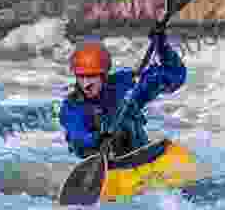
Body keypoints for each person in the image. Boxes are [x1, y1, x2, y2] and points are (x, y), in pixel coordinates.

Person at [60, 30, 186, 159]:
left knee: (125, 118)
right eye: (82, 77)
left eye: (92, 76)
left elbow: (175, 75)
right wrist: (99, 138)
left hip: (139, 156)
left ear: (104, 76)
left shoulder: (124, 86)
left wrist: (162, 47)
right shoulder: (72, 106)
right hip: (102, 164)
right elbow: (79, 138)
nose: (86, 84)